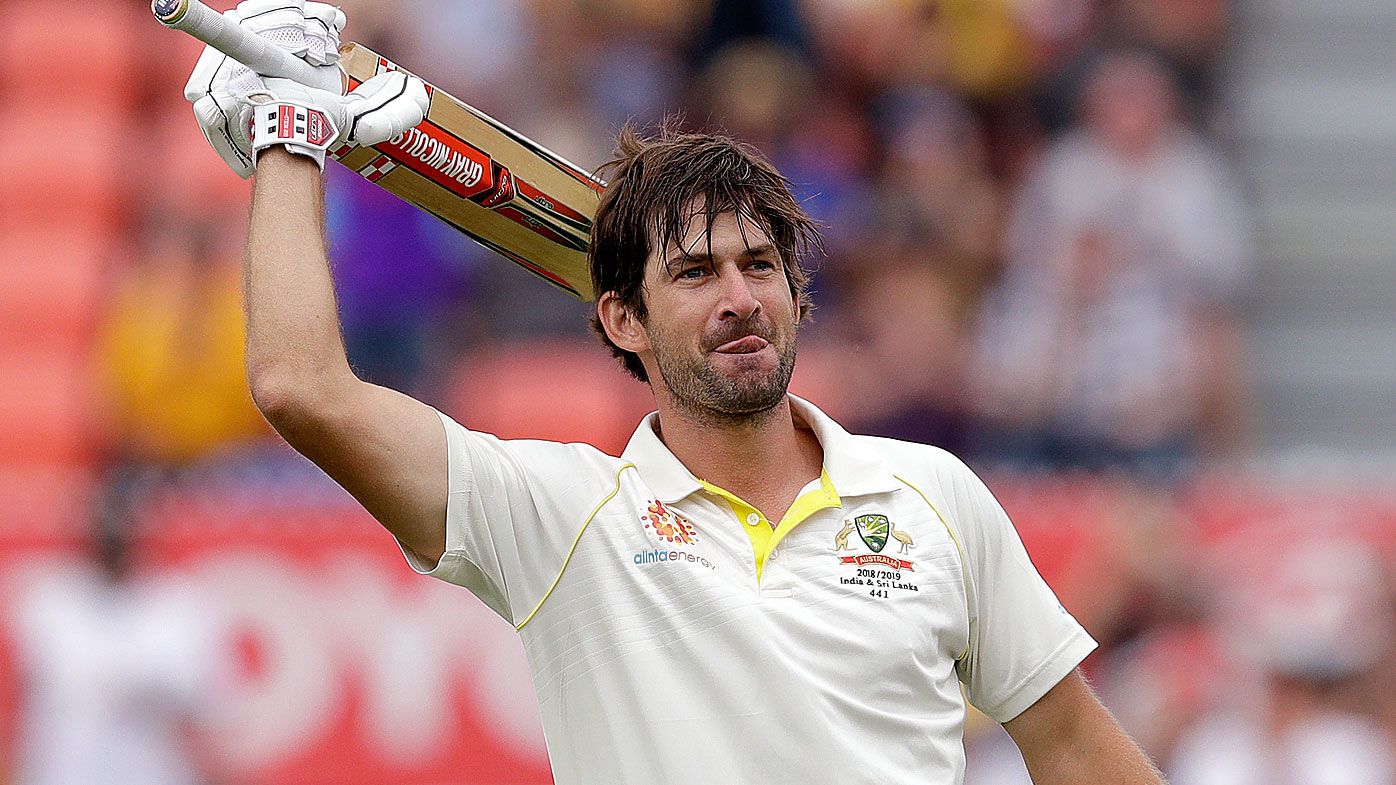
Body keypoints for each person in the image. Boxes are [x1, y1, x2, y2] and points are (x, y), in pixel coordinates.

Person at [183, 3, 1168, 782]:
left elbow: (1073, 743)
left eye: (759, 265)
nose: (739, 297)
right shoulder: (562, 517)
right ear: (621, 319)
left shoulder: (934, 496)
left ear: (796, 292)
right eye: (693, 274)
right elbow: (300, 387)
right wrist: (291, 137)